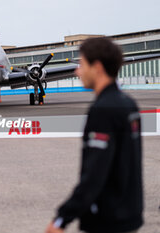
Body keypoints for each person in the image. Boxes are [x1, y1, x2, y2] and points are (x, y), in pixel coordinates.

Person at [45, 37, 143, 233]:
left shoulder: (103, 110)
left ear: (97, 67)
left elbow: (94, 175)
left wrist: (61, 219)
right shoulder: (128, 104)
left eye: (82, 64)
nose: (77, 71)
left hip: (107, 220)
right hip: (130, 214)